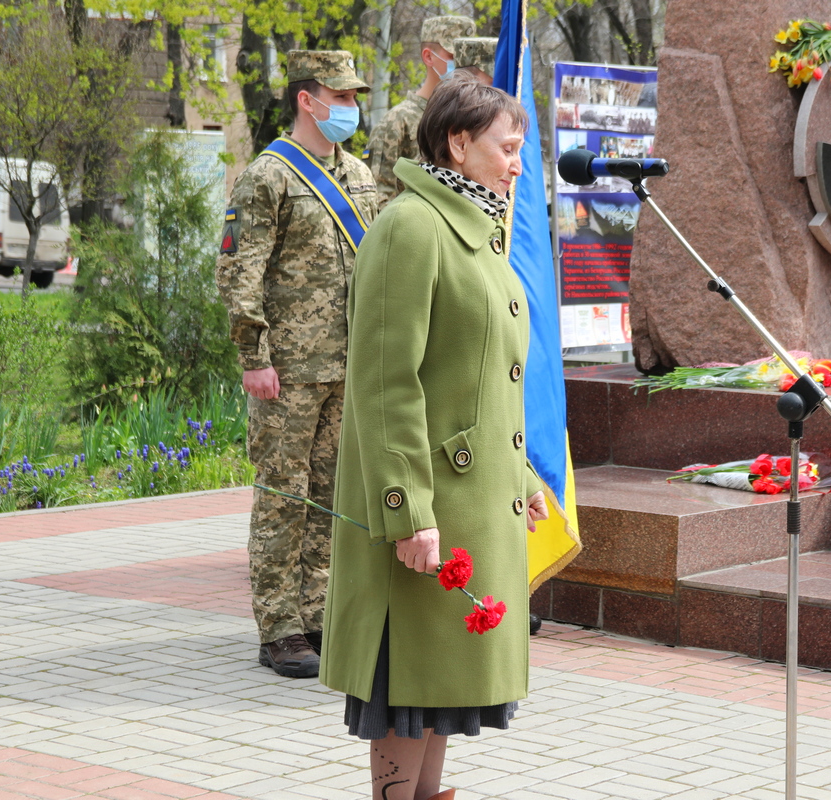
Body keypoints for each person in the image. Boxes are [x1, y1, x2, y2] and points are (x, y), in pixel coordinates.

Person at [321, 72, 549, 800]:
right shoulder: (413, 226)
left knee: (443, 685)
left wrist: (520, 480)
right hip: (427, 508)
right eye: (507, 148)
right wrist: (406, 508)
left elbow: (483, 383)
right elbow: (389, 384)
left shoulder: (478, 230)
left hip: (473, 502)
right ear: (458, 142)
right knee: (408, 683)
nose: (518, 163)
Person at [215, 50, 378, 679]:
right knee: (284, 496)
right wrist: (253, 356)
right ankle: (278, 626)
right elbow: (239, 271)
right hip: (286, 369)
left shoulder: (360, 173)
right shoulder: (268, 176)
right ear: (307, 100)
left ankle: (317, 613)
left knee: (331, 496)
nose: (350, 109)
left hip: (346, 364)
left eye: (354, 97)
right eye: (339, 98)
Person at [368, 15, 476, 206]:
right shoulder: (397, 123)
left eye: (466, 57)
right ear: (428, 57)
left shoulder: (476, 119)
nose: (461, 64)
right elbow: (377, 200)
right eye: (453, 56)